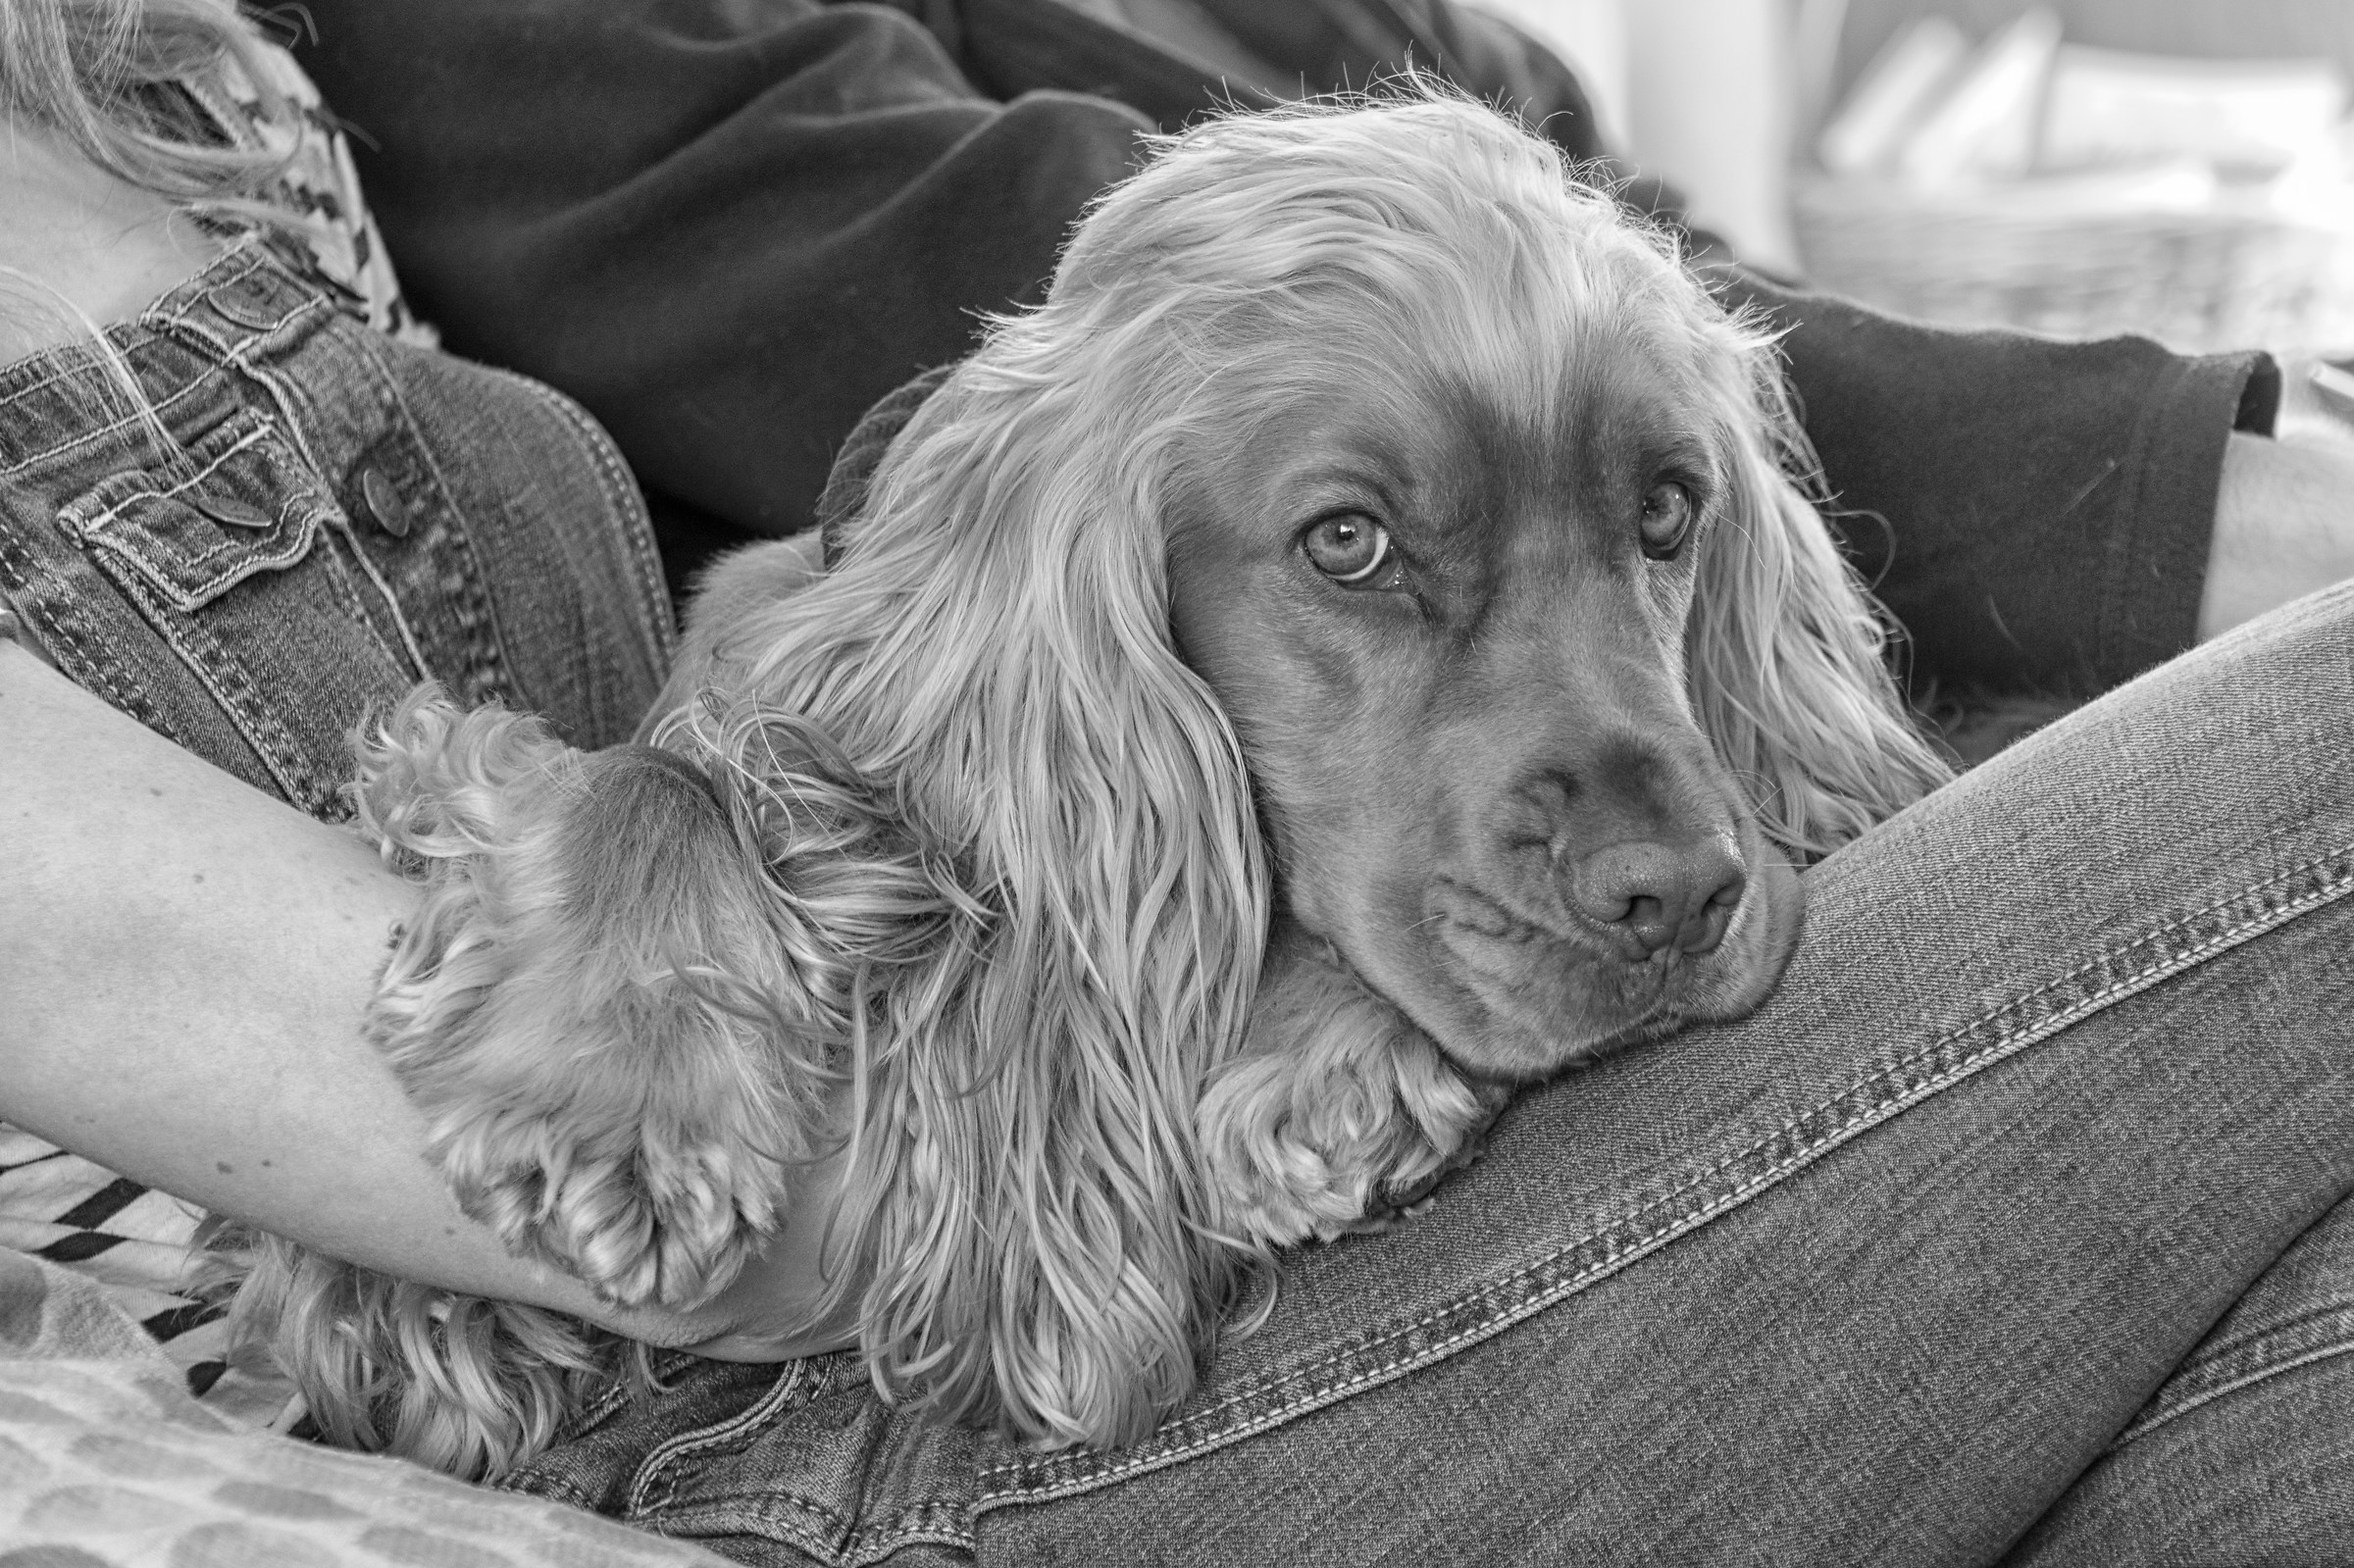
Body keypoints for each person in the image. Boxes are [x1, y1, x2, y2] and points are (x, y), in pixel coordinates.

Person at [0, 0, 2348, 1561]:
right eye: (1362, 552)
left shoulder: (179, 82)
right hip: (925, 1416)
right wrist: (1251, 1029)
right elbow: (712, 1222)